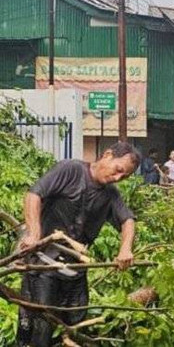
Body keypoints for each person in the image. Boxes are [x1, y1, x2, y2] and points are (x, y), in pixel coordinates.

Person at [17, 142, 140, 346]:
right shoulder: (70, 170)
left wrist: (125, 249)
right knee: (40, 329)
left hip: (76, 272)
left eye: (124, 177)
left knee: (75, 329)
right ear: (107, 155)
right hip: (42, 266)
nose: (118, 178)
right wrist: (34, 233)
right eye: (118, 170)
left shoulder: (110, 194)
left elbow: (127, 220)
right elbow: (34, 194)